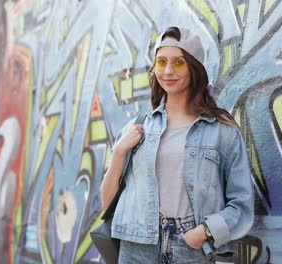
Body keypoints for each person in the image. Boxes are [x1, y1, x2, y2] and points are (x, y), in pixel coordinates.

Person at [100, 26, 254, 263]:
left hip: (190, 248)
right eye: (161, 62)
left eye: (178, 62)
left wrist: (203, 232)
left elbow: (242, 206)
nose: (168, 71)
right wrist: (120, 150)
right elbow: (106, 203)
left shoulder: (222, 130)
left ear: (195, 68)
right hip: (137, 247)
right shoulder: (137, 128)